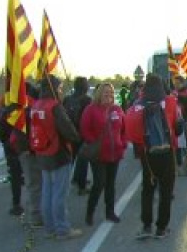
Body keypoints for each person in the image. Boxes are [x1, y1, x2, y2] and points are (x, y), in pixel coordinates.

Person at [31, 75, 82, 240]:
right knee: (59, 193)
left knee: (47, 192)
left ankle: (50, 228)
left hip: (42, 153)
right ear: (54, 88)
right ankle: (62, 229)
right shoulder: (55, 106)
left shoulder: (36, 105)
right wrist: (76, 136)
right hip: (58, 153)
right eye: (60, 88)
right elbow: (68, 129)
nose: (61, 91)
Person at [131, 74, 179, 239]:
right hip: (167, 151)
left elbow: (133, 130)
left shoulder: (138, 104)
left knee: (148, 190)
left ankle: (146, 226)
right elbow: (177, 127)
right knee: (166, 191)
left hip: (147, 153)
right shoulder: (171, 102)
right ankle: (161, 228)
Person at [81, 83, 127, 225]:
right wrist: (94, 142)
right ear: (99, 93)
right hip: (99, 154)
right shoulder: (91, 109)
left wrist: (123, 143)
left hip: (115, 153)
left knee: (110, 184)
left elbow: (124, 128)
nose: (109, 95)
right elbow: (84, 128)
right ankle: (90, 212)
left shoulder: (117, 109)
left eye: (111, 93)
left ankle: (110, 212)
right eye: (106, 92)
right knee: (99, 183)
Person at [12, 82, 44, 227]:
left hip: (25, 149)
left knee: (33, 183)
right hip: (29, 151)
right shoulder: (29, 110)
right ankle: (34, 217)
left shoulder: (22, 108)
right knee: (34, 184)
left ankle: (32, 213)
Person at [63, 77, 92, 195]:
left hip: (69, 133)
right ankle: (82, 186)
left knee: (71, 159)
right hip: (82, 133)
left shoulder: (67, 99)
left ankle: (72, 179)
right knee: (83, 159)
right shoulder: (87, 100)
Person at [0, 98, 24, 216]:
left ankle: (16, 204)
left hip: (11, 148)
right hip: (21, 148)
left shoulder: (6, 112)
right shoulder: (23, 110)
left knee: (15, 177)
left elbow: (0, 131)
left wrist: (6, 142)